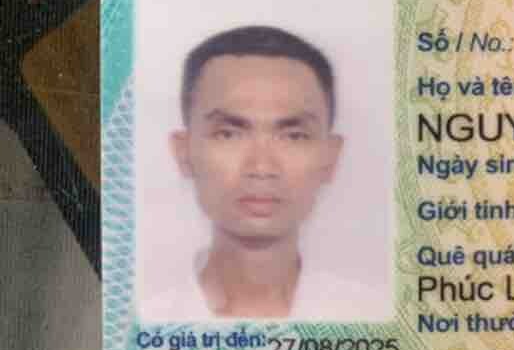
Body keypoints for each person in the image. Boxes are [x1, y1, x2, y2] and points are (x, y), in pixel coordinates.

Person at [142, 25, 376, 321]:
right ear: (183, 151)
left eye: (294, 136)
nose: (262, 168)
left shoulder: (372, 316)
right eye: (228, 134)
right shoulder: (140, 323)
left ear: (331, 157)